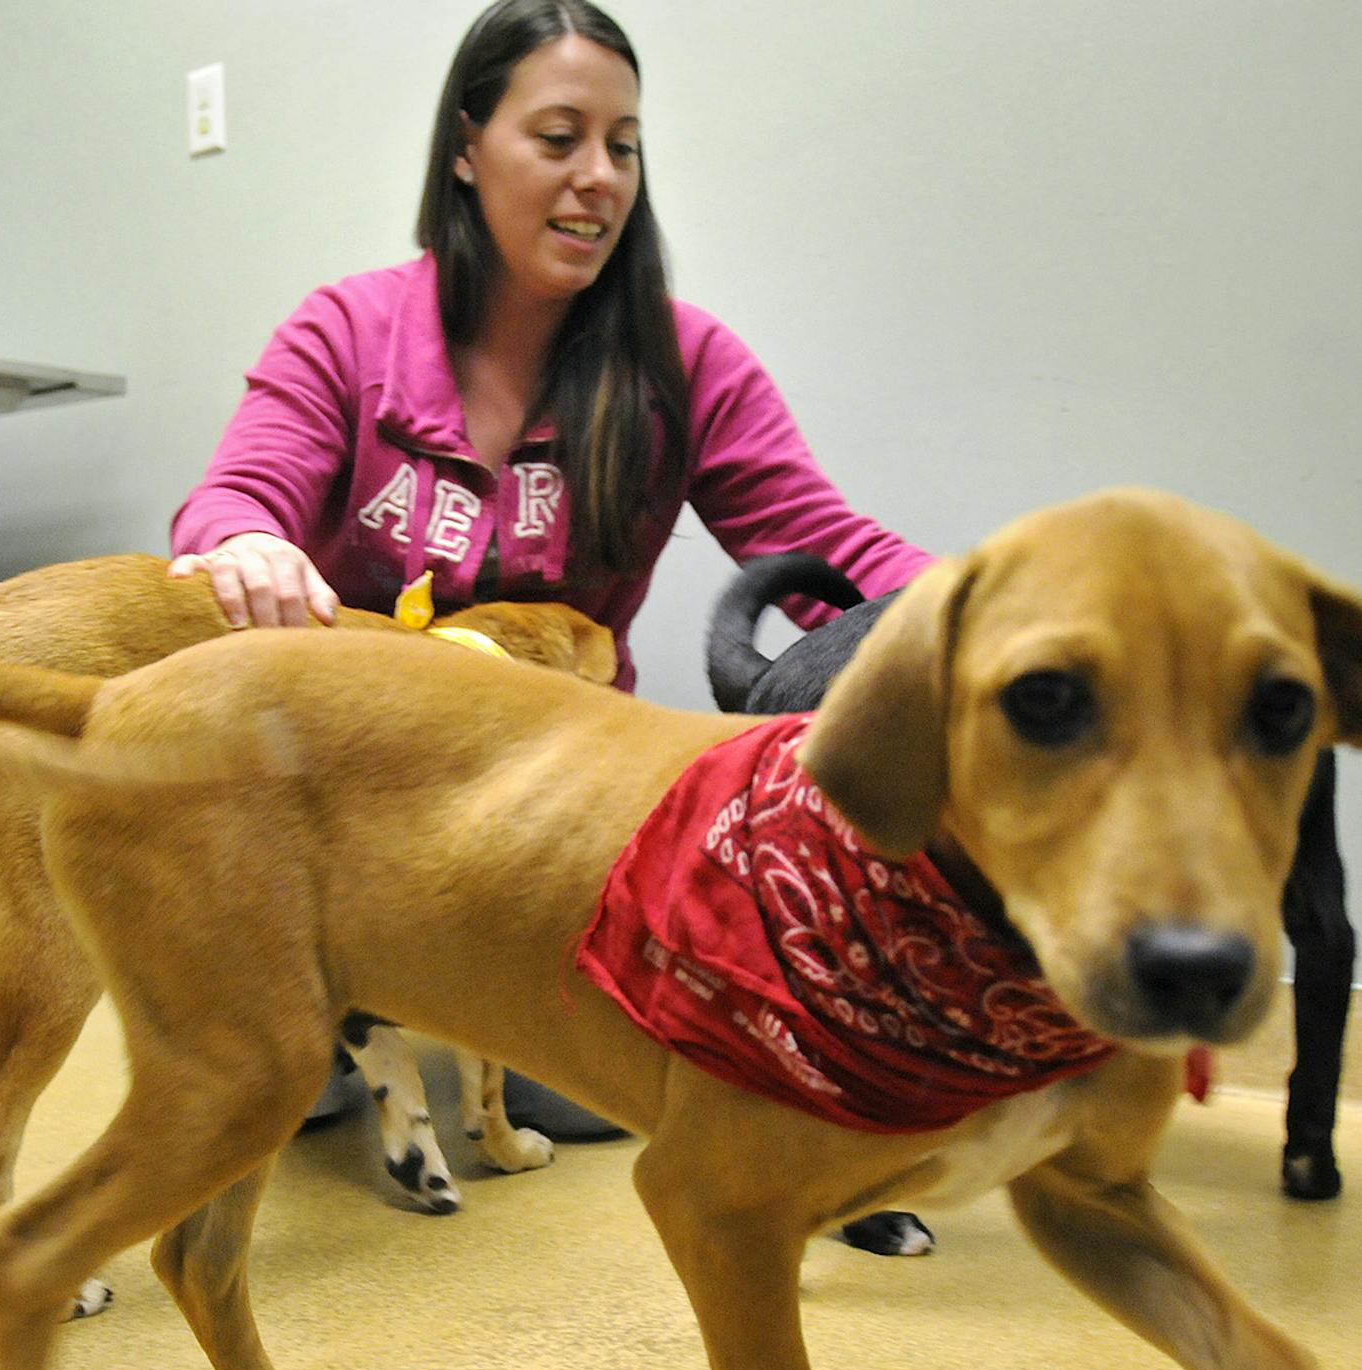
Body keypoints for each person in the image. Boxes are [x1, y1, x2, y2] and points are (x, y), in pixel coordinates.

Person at [169, 0, 934, 1134]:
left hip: (548, 834)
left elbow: (830, 550)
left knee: (586, 1102)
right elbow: (234, 500)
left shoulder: (689, 362)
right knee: (270, 1089)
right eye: (560, 137)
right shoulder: (346, 331)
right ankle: (334, 1005)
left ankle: (447, 1015)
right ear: (469, 147)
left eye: (623, 147)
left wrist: (995, 602)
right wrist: (243, 542)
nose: (600, 178)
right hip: (346, 814)